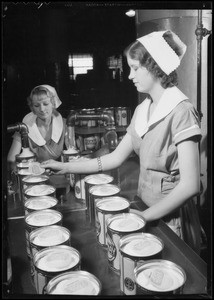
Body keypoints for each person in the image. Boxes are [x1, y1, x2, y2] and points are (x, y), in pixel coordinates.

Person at [41, 31, 202, 243]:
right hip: (143, 207)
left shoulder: (182, 111)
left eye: (135, 68)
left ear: (155, 66)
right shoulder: (143, 110)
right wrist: (66, 167)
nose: (129, 76)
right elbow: (115, 158)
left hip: (172, 220)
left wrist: (144, 217)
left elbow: (191, 185)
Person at [7, 84, 68, 170]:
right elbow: (11, 160)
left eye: (46, 104)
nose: (42, 109)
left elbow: (72, 156)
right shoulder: (23, 127)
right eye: (36, 105)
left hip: (60, 174)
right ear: (32, 108)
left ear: (53, 104)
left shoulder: (65, 124)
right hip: (33, 176)